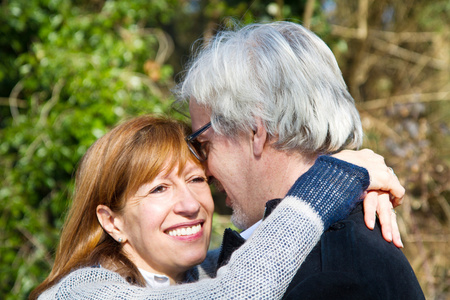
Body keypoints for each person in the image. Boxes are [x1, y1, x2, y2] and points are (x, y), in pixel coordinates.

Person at [176, 21, 425, 299]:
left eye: (203, 144)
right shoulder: (340, 252)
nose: (204, 169)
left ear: (255, 131)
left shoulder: (331, 277)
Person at [31, 115, 395, 299]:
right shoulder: (80, 292)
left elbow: (266, 254)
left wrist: (360, 190)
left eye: (195, 180)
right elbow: (237, 293)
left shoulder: (204, 271)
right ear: (112, 222)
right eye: (159, 189)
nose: (190, 204)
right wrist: (328, 184)